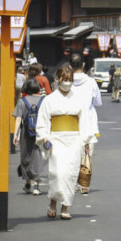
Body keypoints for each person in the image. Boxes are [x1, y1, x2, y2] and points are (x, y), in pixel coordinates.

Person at [36, 65, 95, 220]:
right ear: (58, 79)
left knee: (70, 174)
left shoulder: (79, 99)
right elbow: (42, 121)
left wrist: (86, 141)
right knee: (57, 173)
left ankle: (65, 207)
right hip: (55, 140)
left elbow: (84, 121)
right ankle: (53, 203)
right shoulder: (49, 100)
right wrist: (44, 137)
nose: (67, 83)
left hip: (74, 140)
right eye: (65, 80)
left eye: (70, 80)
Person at [70, 53, 102, 194]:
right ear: (83, 65)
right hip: (88, 123)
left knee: (71, 155)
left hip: (70, 123)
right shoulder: (91, 82)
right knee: (87, 154)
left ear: (70, 66)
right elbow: (97, 102)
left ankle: (72, 184)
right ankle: (84, 184)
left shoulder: (66, 82)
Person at [12, 78, 48, 195]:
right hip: (41, 133)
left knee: (26, 156)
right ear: (38, 88)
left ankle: (28, 183)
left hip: (26, 133)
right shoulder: (44, 100)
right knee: (39, 157)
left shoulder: (22, 101)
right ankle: (37, 186)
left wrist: (15, 135)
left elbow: (18, 119)